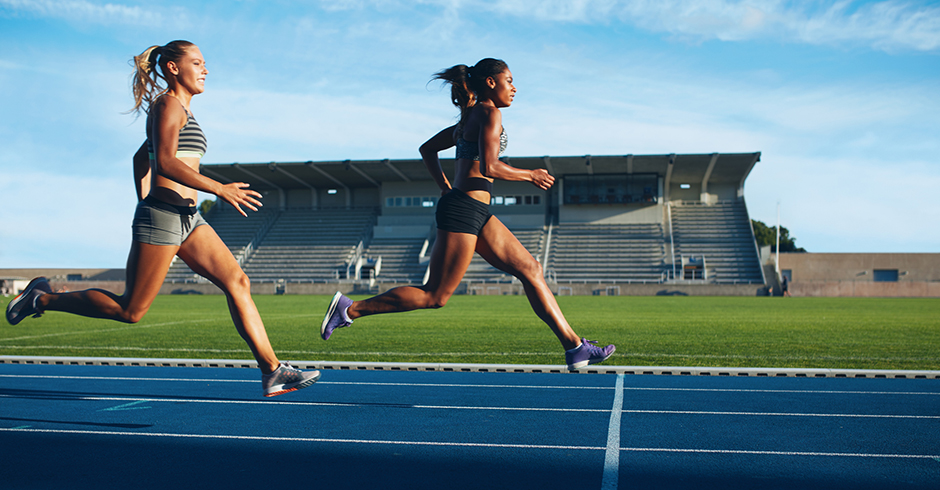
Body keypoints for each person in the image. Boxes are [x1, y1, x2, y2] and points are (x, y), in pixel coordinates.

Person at [5, 40, 319, 397]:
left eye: (205, 64)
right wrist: (215, 190)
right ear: (173, 68)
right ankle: (42, 299)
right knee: (131, 310)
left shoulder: (182, 111)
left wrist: (147, 198)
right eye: (197, 62)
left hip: (188, 219)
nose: (205, 69)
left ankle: (272, 371)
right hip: (164, 218)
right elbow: (165, 162)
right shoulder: (168, 104)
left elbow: (143, 158)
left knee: (238, 281)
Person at [321, 58, 615, 370]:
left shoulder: (470, 117)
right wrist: (530, 175)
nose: (514, 88)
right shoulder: (488, 113)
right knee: (435, 295)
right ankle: (350, 309)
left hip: (474, 209)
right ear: (491, 82)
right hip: (463, 210)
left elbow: (427, 149)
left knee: (531, 269)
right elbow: (489, 167)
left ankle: (574, 347)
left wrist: (445, 186)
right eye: (509, 80)